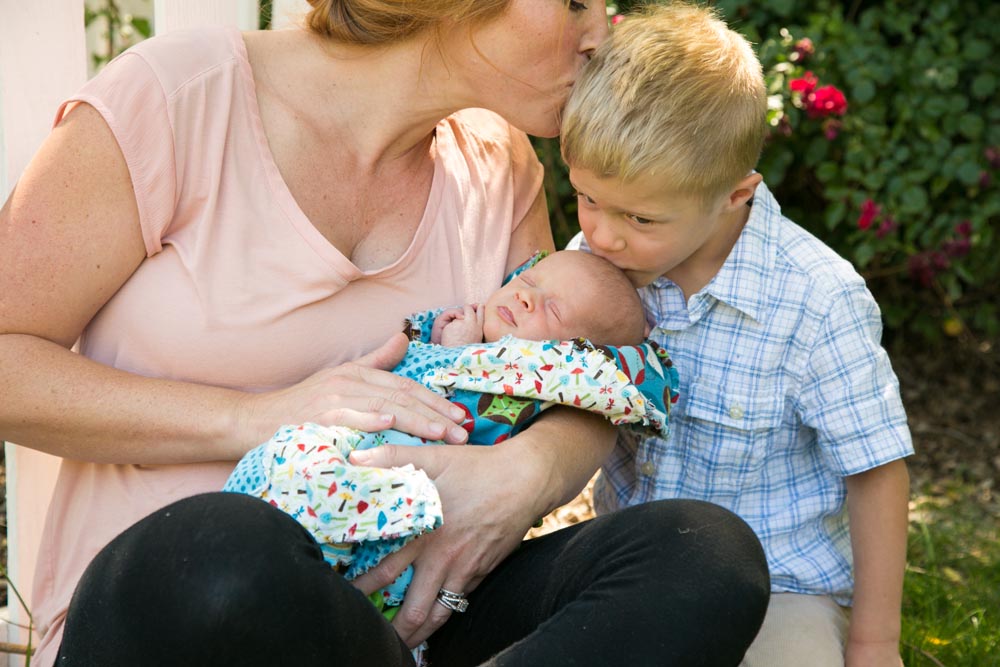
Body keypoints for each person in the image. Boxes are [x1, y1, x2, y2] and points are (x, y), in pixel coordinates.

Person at [1, 2, 770, 665]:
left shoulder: (499, 164)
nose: (603, 33)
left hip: (410, 616)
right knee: (224, 552)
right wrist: (253, 417)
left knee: (705, 555)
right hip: (182, 610)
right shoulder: (179, 101)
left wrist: (529, 470)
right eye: (573, 1)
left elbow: (582, 373)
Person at [561, 4, 912, 667]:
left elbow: (876, 471)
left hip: (780, 586)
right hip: (631, 569)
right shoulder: (600, 264)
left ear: (735, 194)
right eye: (586, 198)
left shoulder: (816, 300)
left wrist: (875, 643)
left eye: (639, 216)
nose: (602, 235)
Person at [224, 249, 677, 623]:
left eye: (553, 309)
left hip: (414, 497)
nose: (525, 299)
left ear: (578, 353)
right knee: (288, 484)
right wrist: (453, 342)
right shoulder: (465, 334)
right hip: (335, 450)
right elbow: (434, 367)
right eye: (530, 281)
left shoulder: (545, 373)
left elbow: (623, 389)